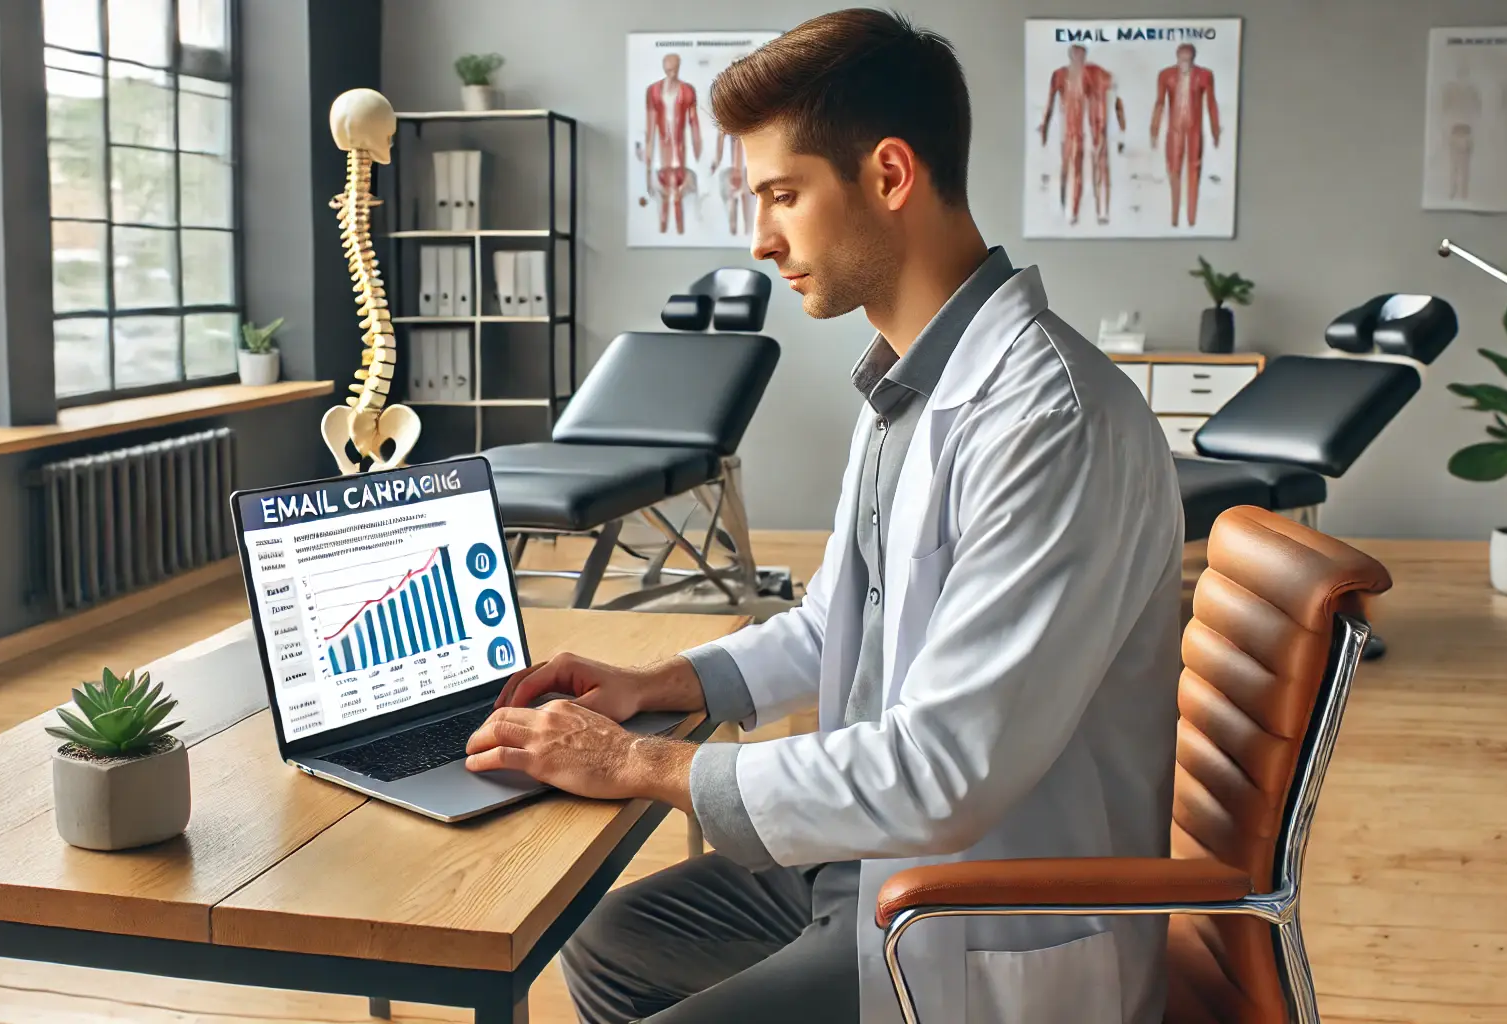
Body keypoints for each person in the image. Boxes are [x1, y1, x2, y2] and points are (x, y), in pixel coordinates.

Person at [466, 9, 1183, 1023]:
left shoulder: (1049, 419)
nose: (760, 241)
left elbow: (943, 775)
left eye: (782, 196)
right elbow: (837, 623)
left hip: (967, 915)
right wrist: (661, 682)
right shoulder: (907, 386)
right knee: (609, 942)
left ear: (889, 176)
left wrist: (640, 762)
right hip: (860, 866)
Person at [1039, 44, 1125, 225]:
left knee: (1100, 165)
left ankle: (1102, 212)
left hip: (1094, 127)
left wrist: (1119, 126)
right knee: (1071, 168)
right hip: (1070, 131)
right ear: (1070, 56)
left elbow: (1115, 95)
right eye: (1076, 56)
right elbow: (1050, 103)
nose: (1079, 60)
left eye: (1082, 56)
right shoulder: (1060, 75)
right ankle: (1070, 211)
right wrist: (1044, 128)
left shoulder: (1095, 73)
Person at [1149, 43, 1220, 229]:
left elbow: (1211, 103)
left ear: (1193, 59)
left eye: (1188, 60)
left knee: (1194, 170)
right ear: (1177, 58)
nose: (1184, 64)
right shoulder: (1166, 75)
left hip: (1194, 129)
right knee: (1173, 170)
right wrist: (1154, 130)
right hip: (1175, 129)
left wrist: (1215, 130)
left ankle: (1191, 218)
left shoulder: (1205, 76)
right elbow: (1159, 103)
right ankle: (1174, 217)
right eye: (1182, 59)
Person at [645, 52, 703, 234]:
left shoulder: (687, 91)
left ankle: (679, 231)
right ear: (664, 68)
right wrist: (648, 150)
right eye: (669, 69)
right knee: (664, 195)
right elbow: (650, 123)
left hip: (680, 150)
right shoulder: (654, 91)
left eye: (675, 69)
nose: (672, 73)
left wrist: (697, 145)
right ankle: (664, 231)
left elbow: (694, 121)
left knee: (677, 194)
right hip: (662, 151)